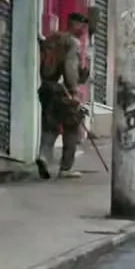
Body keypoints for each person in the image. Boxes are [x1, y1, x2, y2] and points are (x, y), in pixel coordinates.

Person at [36, 13, 89, 179]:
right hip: (63, 91)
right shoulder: (72, 43)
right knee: (72, 127)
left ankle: (44, 156)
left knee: (50, 125)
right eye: (82, 26)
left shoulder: (51, 40)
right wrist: (73, 91)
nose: (83, 30)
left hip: (46, 88)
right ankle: (66, 167)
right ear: (76, 25)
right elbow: (70, 68)